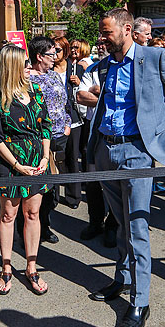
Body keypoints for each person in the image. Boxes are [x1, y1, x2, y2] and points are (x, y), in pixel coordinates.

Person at [87, 8, 165, 327]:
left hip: (137, 152)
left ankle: (140, 301)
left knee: (137, 228)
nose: (102, 39)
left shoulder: (155, 57)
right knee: (120, 222)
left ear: (127, 29)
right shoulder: (106, 65)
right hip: (106, 150)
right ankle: (123, 279)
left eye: (107, 32)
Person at [0, 44, 52, 295]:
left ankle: (31, 267)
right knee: (8, 215)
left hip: (36, 159)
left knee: (33, 213)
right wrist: (16, 164)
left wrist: (45, 157)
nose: (29, 66)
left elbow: (46, 124)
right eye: (24, 63)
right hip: (10, 161)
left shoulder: (35, 90)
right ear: (12, 66)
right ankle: (6, 267)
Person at [76, 41, 119, 248]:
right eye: (99, 43)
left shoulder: (121, 69)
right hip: (93, 132)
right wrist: (106, 95)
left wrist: (98, 93)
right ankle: (95, 222)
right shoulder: (92, 70)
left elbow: (124, 99)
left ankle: (112, 225)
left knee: (113, 182)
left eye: (105, 42)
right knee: (92, 180)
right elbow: (80, 96)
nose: (101, 46)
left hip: (115, 134)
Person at [27, 36, 68, 244]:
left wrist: (67, 123)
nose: (56, 57)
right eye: (51, 54)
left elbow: (63, 103)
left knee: (54, 188)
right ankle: (36, 229)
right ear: (39, 56)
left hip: (61, 136)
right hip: (40, 139)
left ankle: (45, 223)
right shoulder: (27, 79)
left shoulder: (54, 76)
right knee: (41, 188)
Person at [52, 35, 86, 209]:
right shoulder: (47, 70)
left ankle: (74, 196)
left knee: (72, 158)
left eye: (58, 50)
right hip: (53, 123)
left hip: (73, 120)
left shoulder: (76, 69)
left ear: (64, 51)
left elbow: (87, 91)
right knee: (55, 161)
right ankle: (54, 196)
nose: (54, 53)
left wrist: (79, 83)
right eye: (52, 50)